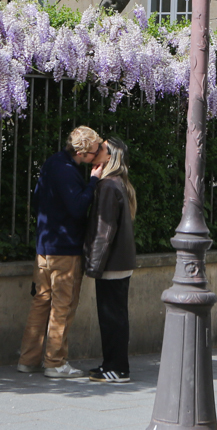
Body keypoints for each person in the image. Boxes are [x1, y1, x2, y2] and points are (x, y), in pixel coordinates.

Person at [18, 126, 104, 379]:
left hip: (44, 247)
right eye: (96, 149)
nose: (99, 152)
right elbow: (77, 207)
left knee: (41, 302)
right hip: (64, 249)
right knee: (63, 305)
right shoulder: (67, 171)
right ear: (84, 152)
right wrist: (93, 182)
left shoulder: (53, 163)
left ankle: (28, 359)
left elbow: (37, 199)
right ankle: (55, 362)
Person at [83, 137, 137, 383]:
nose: (96, 151)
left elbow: (103, 232)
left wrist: (93, 265)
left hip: (111, 263)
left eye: (102, 148)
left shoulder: (107, 187)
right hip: (120, 262)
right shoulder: (118, 184)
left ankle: (117, 368)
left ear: (110, 157)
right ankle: (112, 364)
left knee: (111, 317)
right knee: (115, 315)